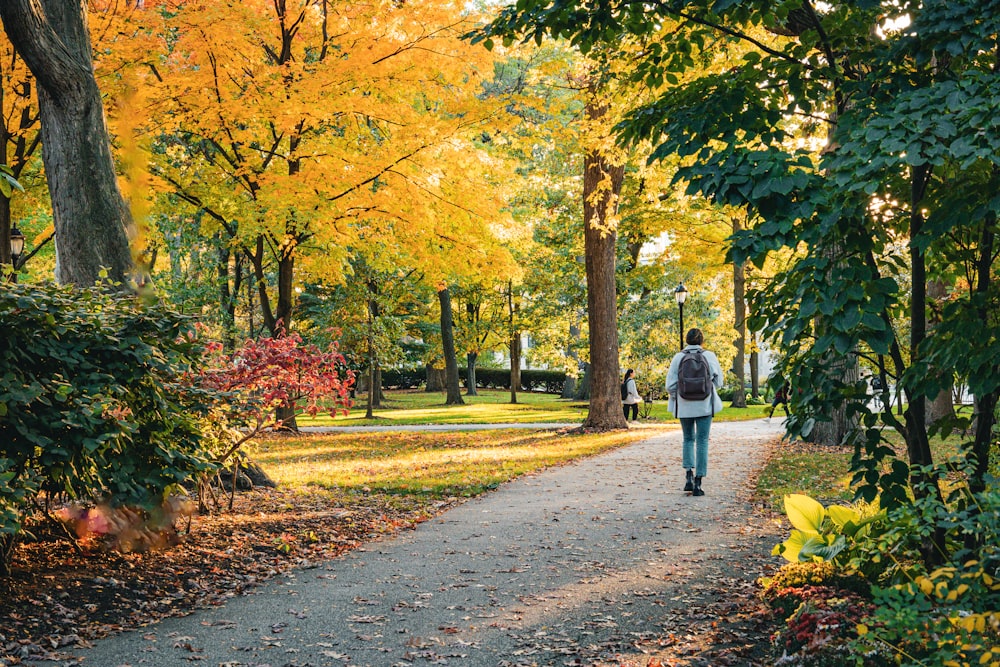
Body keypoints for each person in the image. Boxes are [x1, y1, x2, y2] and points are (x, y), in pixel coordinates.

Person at [666, 328, 724, 497]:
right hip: (705, 405)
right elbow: (719, 381)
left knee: (688, 439)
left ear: (686, 340)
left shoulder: (678, 357)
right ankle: (699, 482)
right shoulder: (709, 356)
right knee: (702, 441)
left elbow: (670, 385)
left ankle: (688, 476)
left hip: (684, 406)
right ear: (702, 340)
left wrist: (677, 397)